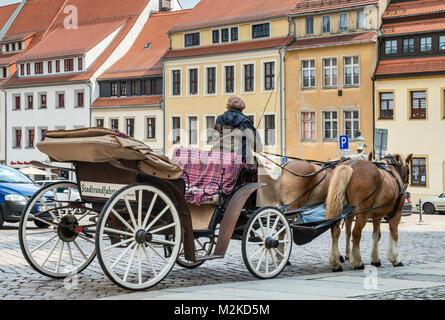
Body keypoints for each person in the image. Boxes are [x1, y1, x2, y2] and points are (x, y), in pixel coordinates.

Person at [210, 96, 263, 165]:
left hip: (220, 159)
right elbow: (257, 145)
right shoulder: (244, 121)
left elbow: (214, 139)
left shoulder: (219, 119)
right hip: (240, 160)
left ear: (228, 106)